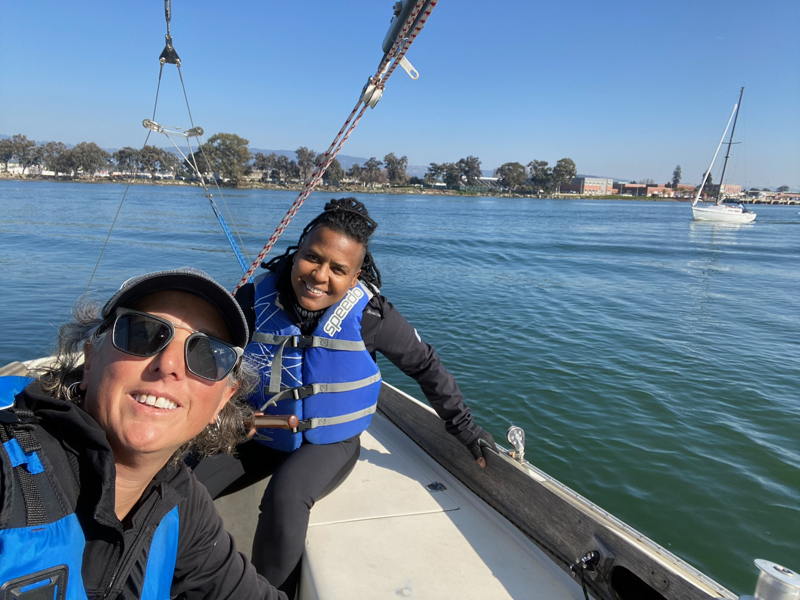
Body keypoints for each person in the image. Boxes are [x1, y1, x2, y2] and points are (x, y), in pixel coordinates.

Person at [193, 198, 496, 595]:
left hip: (328, 442)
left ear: (355, 278)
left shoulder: (372, 316)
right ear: (297, 251)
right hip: (258, 432)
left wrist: (467, 430)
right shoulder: (253, 301)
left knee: (286, 498)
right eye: (312, 258)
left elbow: (426, 366)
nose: (319, 276)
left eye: (338, 269)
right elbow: (208, 357)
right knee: (184, 480)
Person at [0, 268, 287, 600]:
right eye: (143, 334)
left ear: (223, 401)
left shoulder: (180, 503)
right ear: (91, 360)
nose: (168, 364)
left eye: (207, 355)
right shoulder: (10, 470)